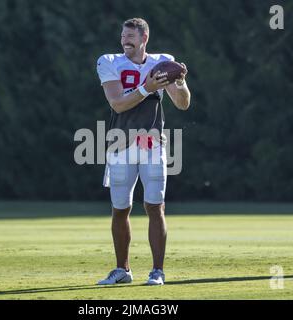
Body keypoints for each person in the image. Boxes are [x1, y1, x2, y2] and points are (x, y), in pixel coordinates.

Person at [96, 18, 191, 286]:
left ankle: (157, 271)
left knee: (155, 206)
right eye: (123, 36)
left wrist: (180, 83)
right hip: (120, 144)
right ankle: (122, 270)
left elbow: (182, 104)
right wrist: (146, 88)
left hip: (152, 144)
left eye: (130, 37)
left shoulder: (161, 62)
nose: (125, 41)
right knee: (120, 209)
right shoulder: (109, 61)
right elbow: (117, 104)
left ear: (144, 38)